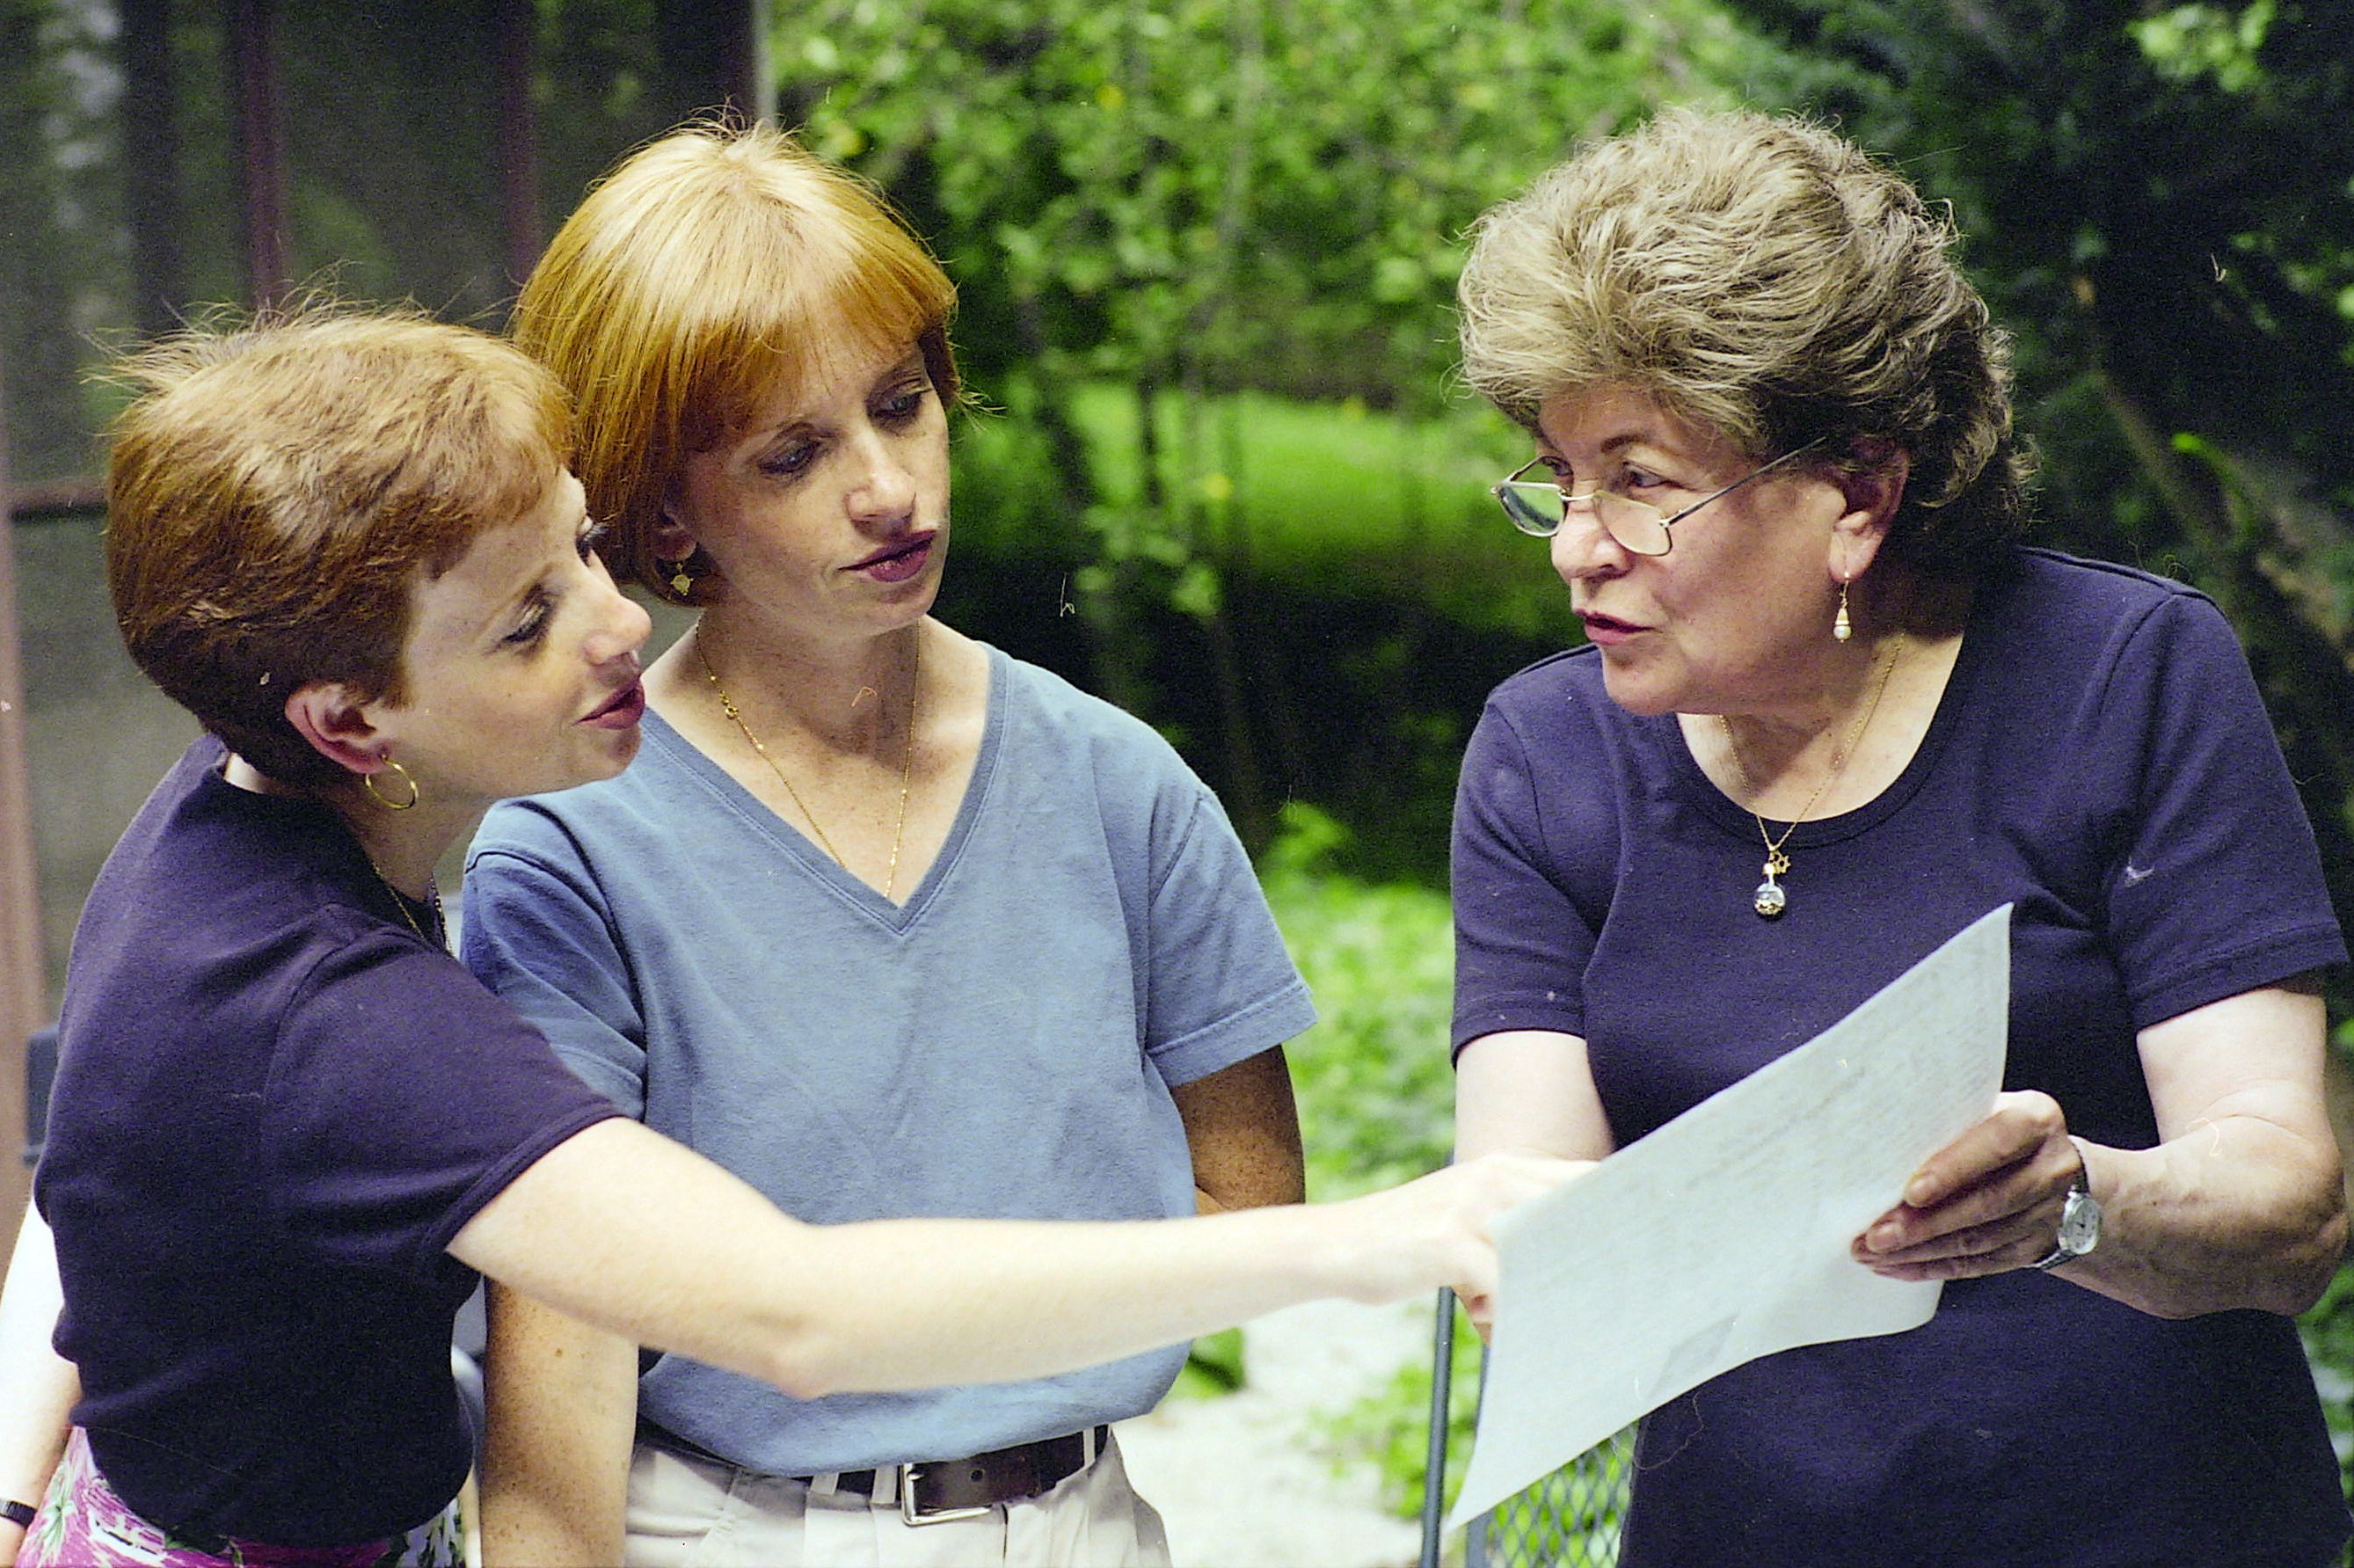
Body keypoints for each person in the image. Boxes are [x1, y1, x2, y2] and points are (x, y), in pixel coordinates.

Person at [0, 308, 1568, 1568]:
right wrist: (1384, 1237)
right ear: (348, 720)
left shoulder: (227, 797)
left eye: (582, 550)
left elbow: (87, 1157)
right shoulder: (339, 1014)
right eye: (527, 622)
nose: (622, 624)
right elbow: (794, 1313)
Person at [1447, 107, 2350, 1566]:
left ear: (1858, 493)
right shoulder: (1544, 757)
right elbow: (1523, 1220)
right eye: (1556, 476)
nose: (1573, 543)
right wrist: (1521, 1255)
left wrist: (2073, 1203)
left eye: (1639, 480)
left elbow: (2286, 1203)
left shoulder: (2122, 675)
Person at [456, 121, 1320, 1567]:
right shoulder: (570, 850)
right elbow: (562, 1377)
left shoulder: (1118, 783)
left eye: (901, 405)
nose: (887, 489)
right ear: (662, 506)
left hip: (1082, 1522)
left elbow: (1249, 1213)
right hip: (727, 1534)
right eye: (792, 453)